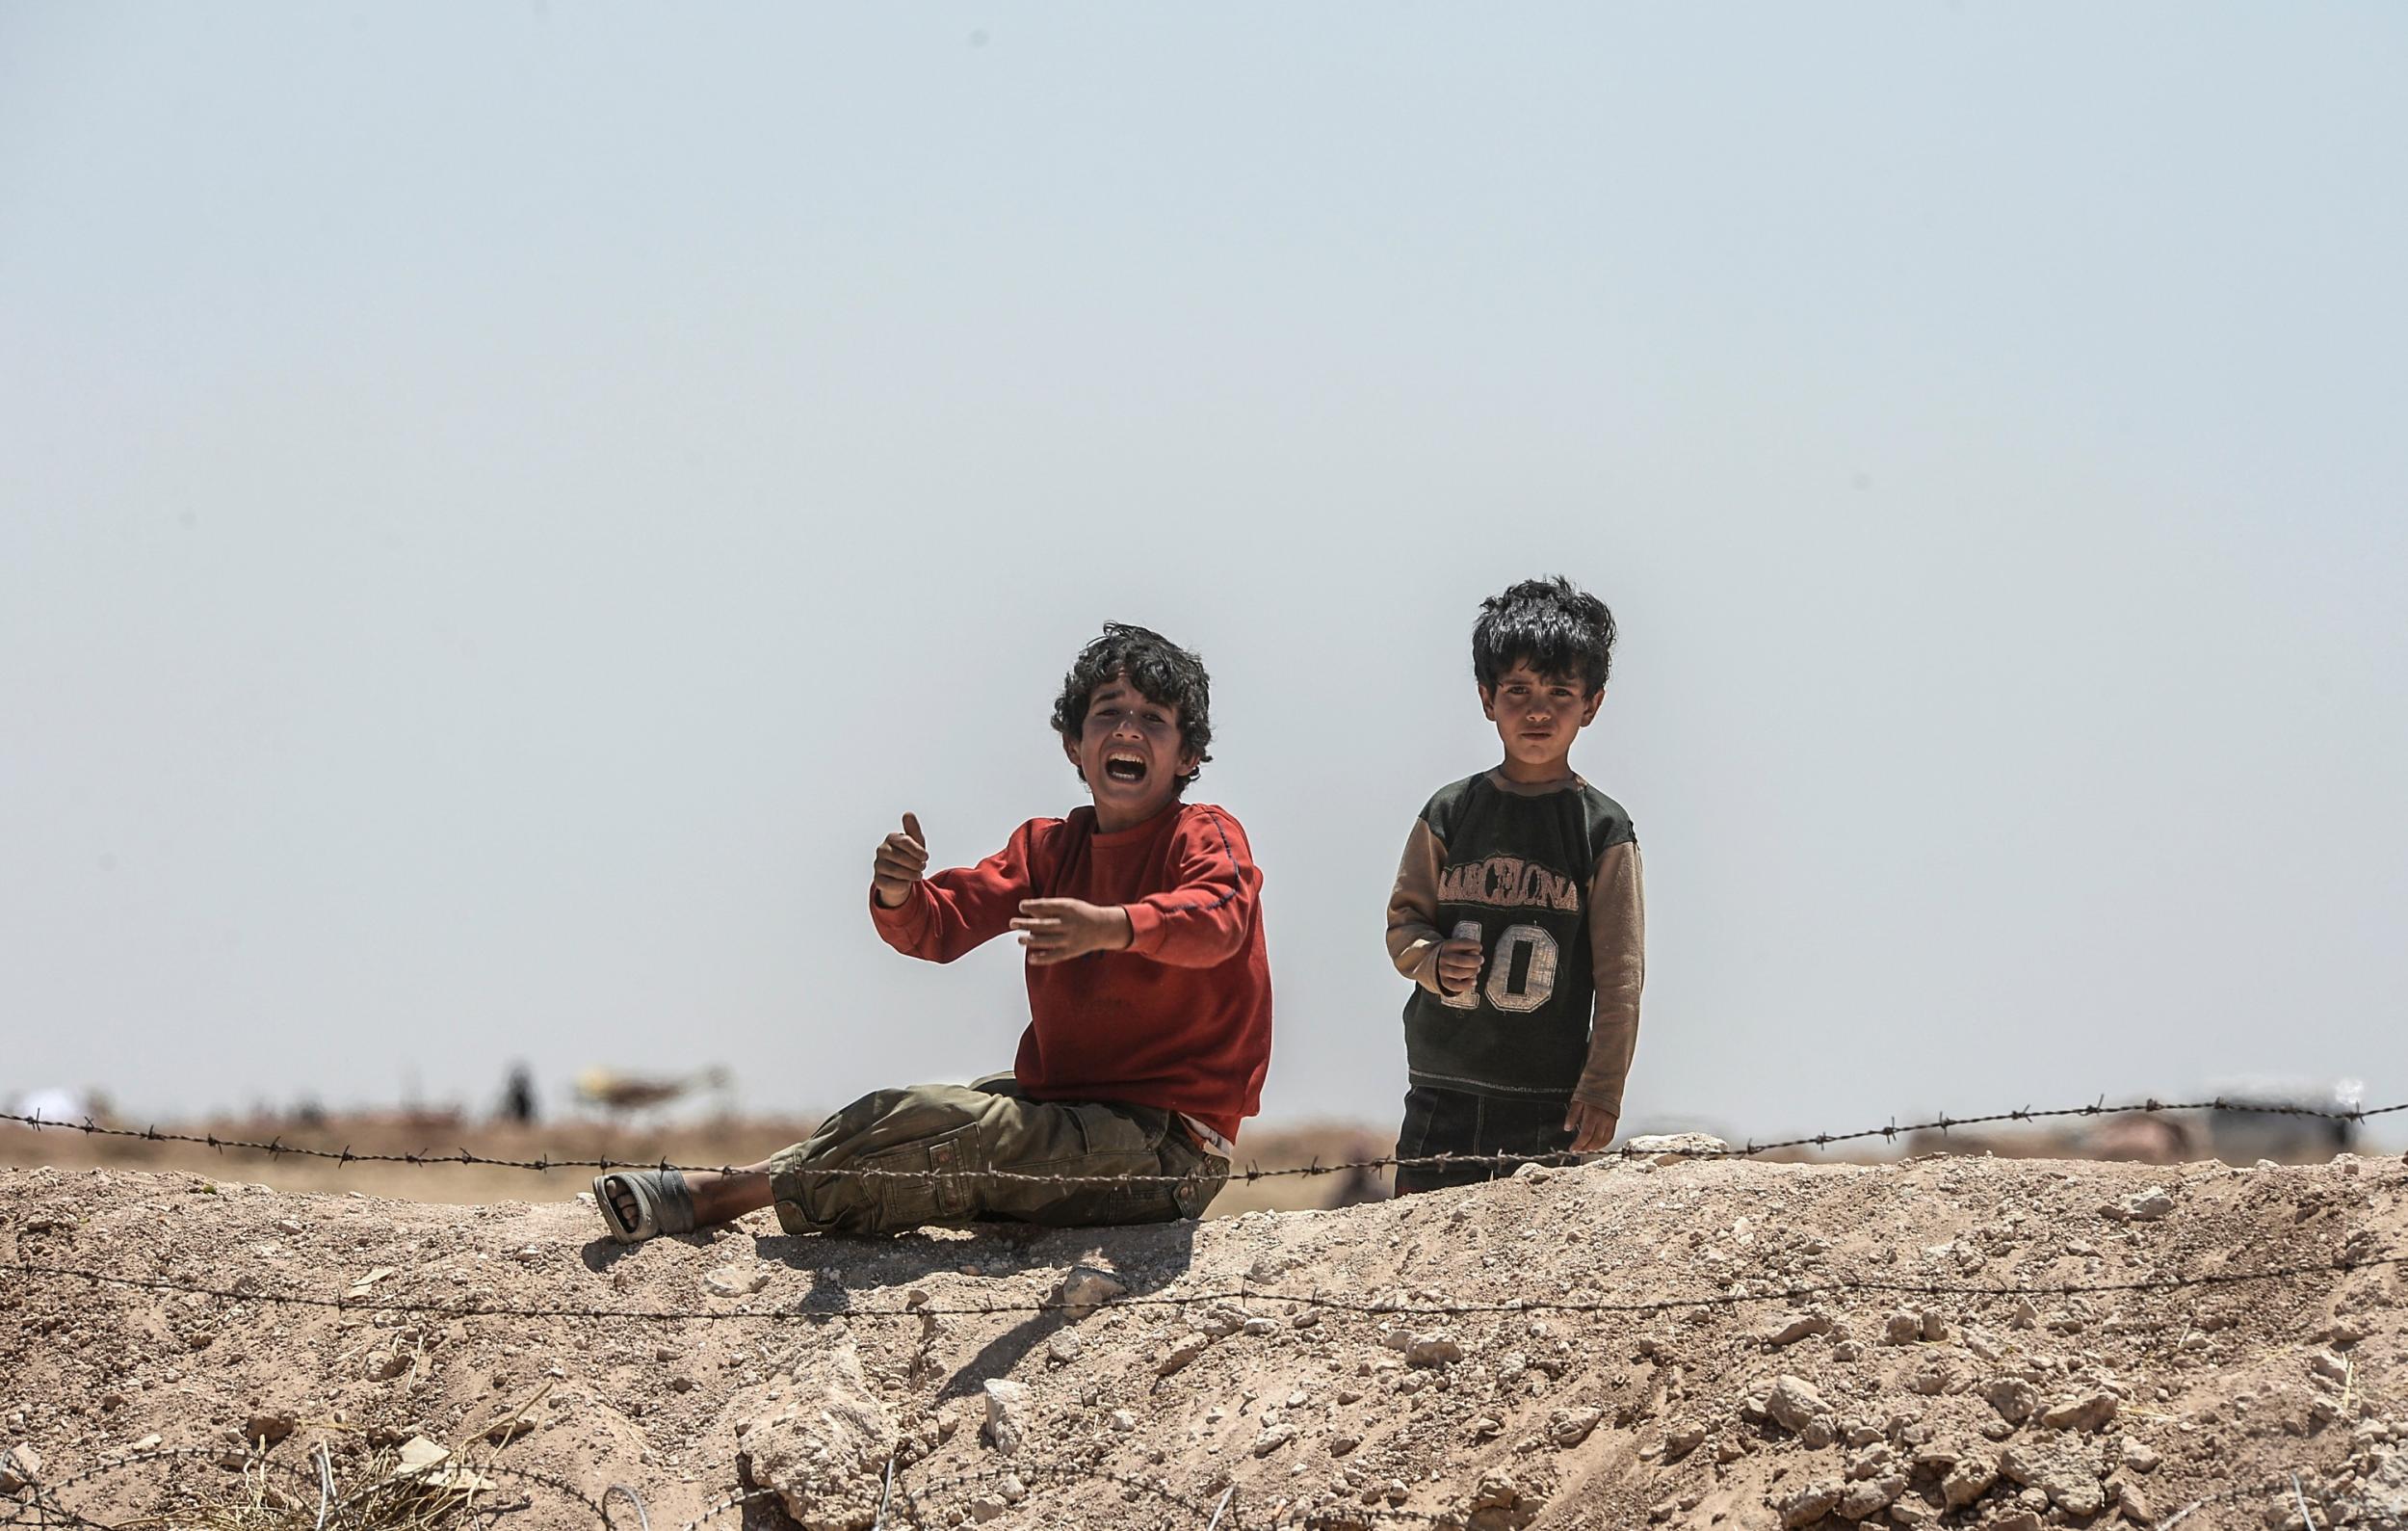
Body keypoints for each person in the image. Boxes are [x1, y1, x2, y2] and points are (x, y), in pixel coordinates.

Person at [591, 624, 1271, 1243]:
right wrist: (898, 890)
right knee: (902, 1112)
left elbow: (1218, 919)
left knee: (946, 1125)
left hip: (1167, 1147)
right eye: (1109, 714)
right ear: (1074, 743)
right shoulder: (1047, 849)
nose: (1128, 729)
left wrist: (1113, 926)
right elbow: (939, 925)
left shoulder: (1203, 835)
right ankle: (741, 1182)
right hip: (1068, 1105)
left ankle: (717, 1196)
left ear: (1188, 755)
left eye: (1153, 719)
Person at [1384, 576, 1645, 1196]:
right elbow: (1404, 923)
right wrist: (1433, 960)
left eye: (1560, 692)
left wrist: (1603, 1087)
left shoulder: (1602, 829)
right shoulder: (1450, 811)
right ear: (1485, 697)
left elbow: (1621, 975)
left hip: (1545, 1104)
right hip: (1440, 1092)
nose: (1537, 710)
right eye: (1517, 690)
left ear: (1592, 704)